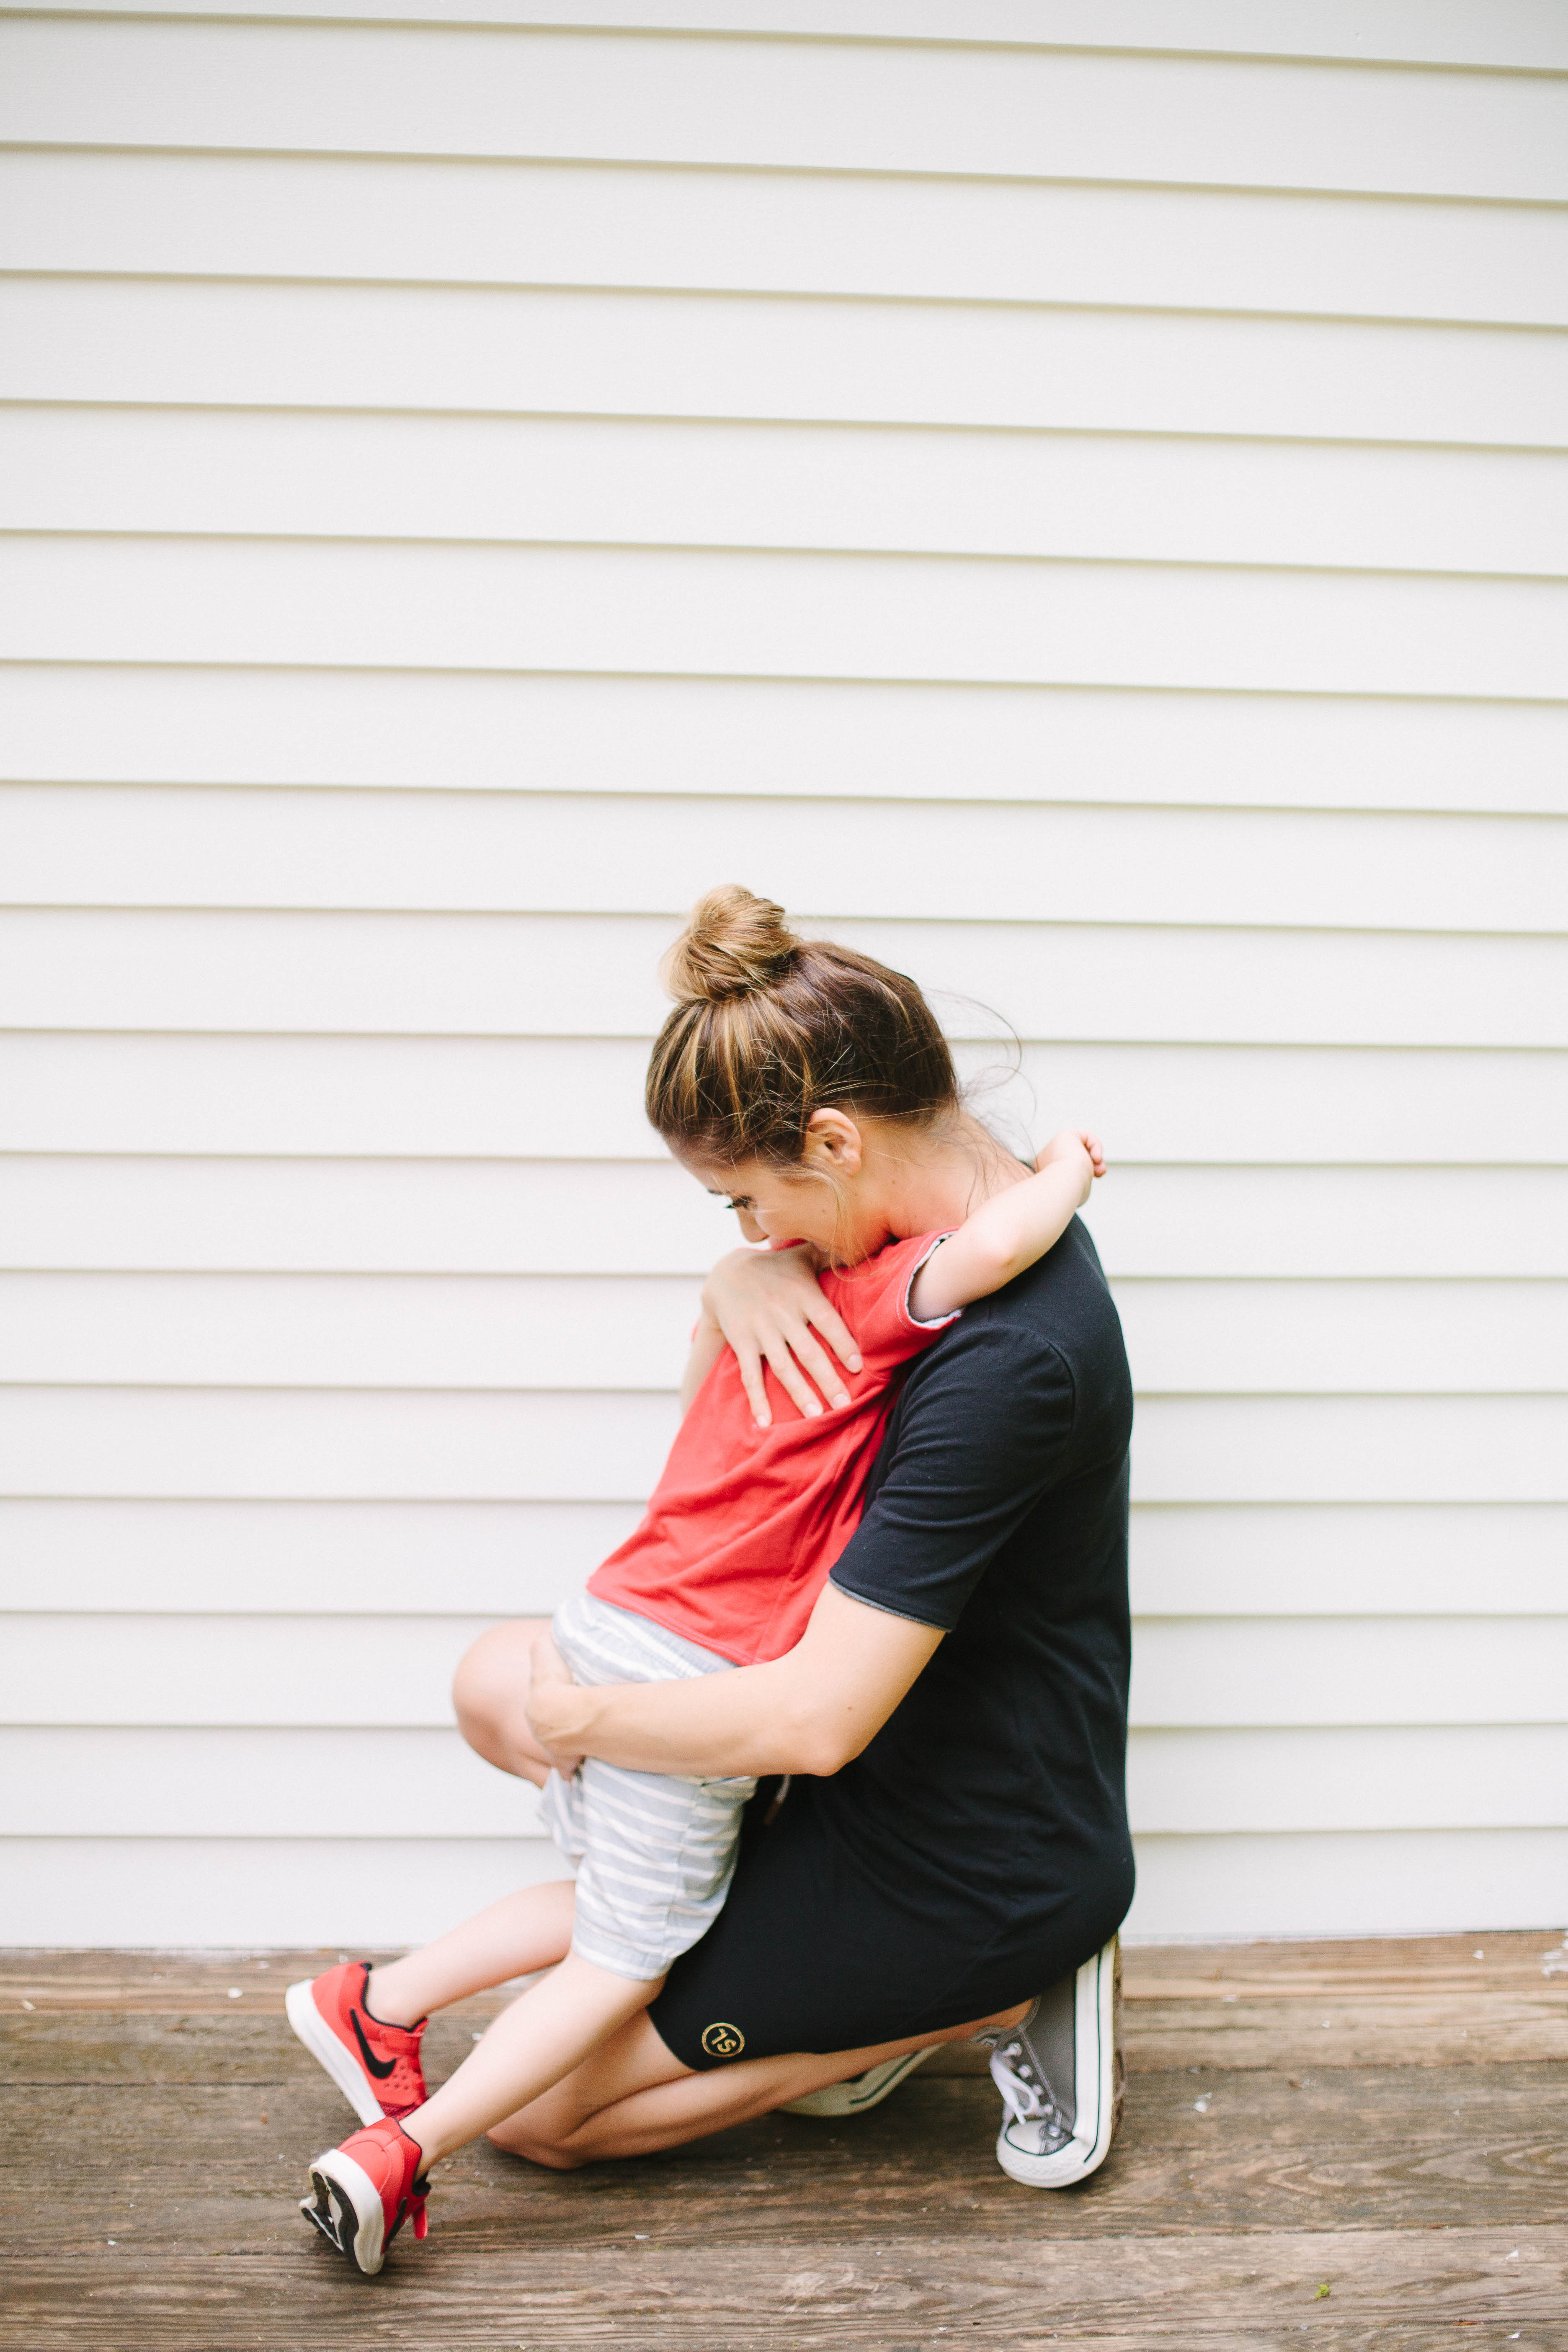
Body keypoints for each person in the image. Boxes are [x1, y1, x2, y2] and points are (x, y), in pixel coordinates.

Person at [289, 888, 1121, 2275]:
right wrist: (732, 1277)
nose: (744, 1224)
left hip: (962, 1844)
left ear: (838, 1142)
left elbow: (815, 1723)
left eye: (746, 1196)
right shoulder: (922, 1226)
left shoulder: (1008, 1367)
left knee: (538, 2114)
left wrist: (589, 1729)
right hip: (837, 1755)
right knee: (496, 1680)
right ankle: (764, 1956)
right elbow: (857, 1298)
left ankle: (968, 2000)